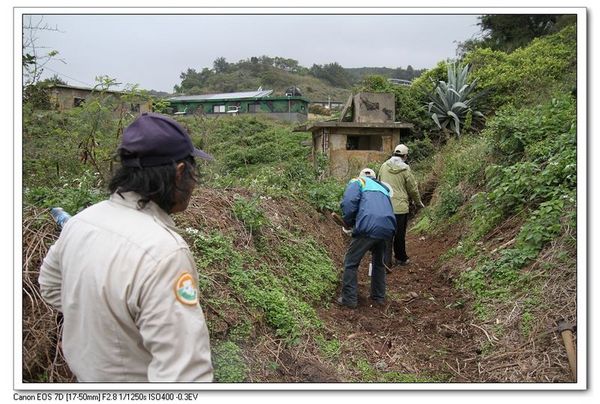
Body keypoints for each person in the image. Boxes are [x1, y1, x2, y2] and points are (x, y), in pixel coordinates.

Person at [39, 112, 214, 382]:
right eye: (193, 172)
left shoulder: (83, 221)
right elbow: (184, 376)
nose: (194, 184)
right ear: (179, 174)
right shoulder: (164, 253)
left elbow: (50, 287)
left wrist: (103, 322)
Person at [337, 168, 396, 308]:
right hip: (387, 227)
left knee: (351, 262)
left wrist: (348, 222)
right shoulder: (383, 187)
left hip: (368, 226)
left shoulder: (358, 182)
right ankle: (378, 297)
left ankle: (349, 299)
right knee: (379, 263)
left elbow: (349, 202)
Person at [378, 144, 424, 267]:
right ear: (405, 156)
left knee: (387, 234)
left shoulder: (384, 166)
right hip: (400, 208)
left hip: (385, 206)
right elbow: (412, 188)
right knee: (399, 234)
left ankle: (385, 261)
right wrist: (418, 202)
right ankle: (400, 258)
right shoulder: (405, 168)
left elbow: (379, 182)